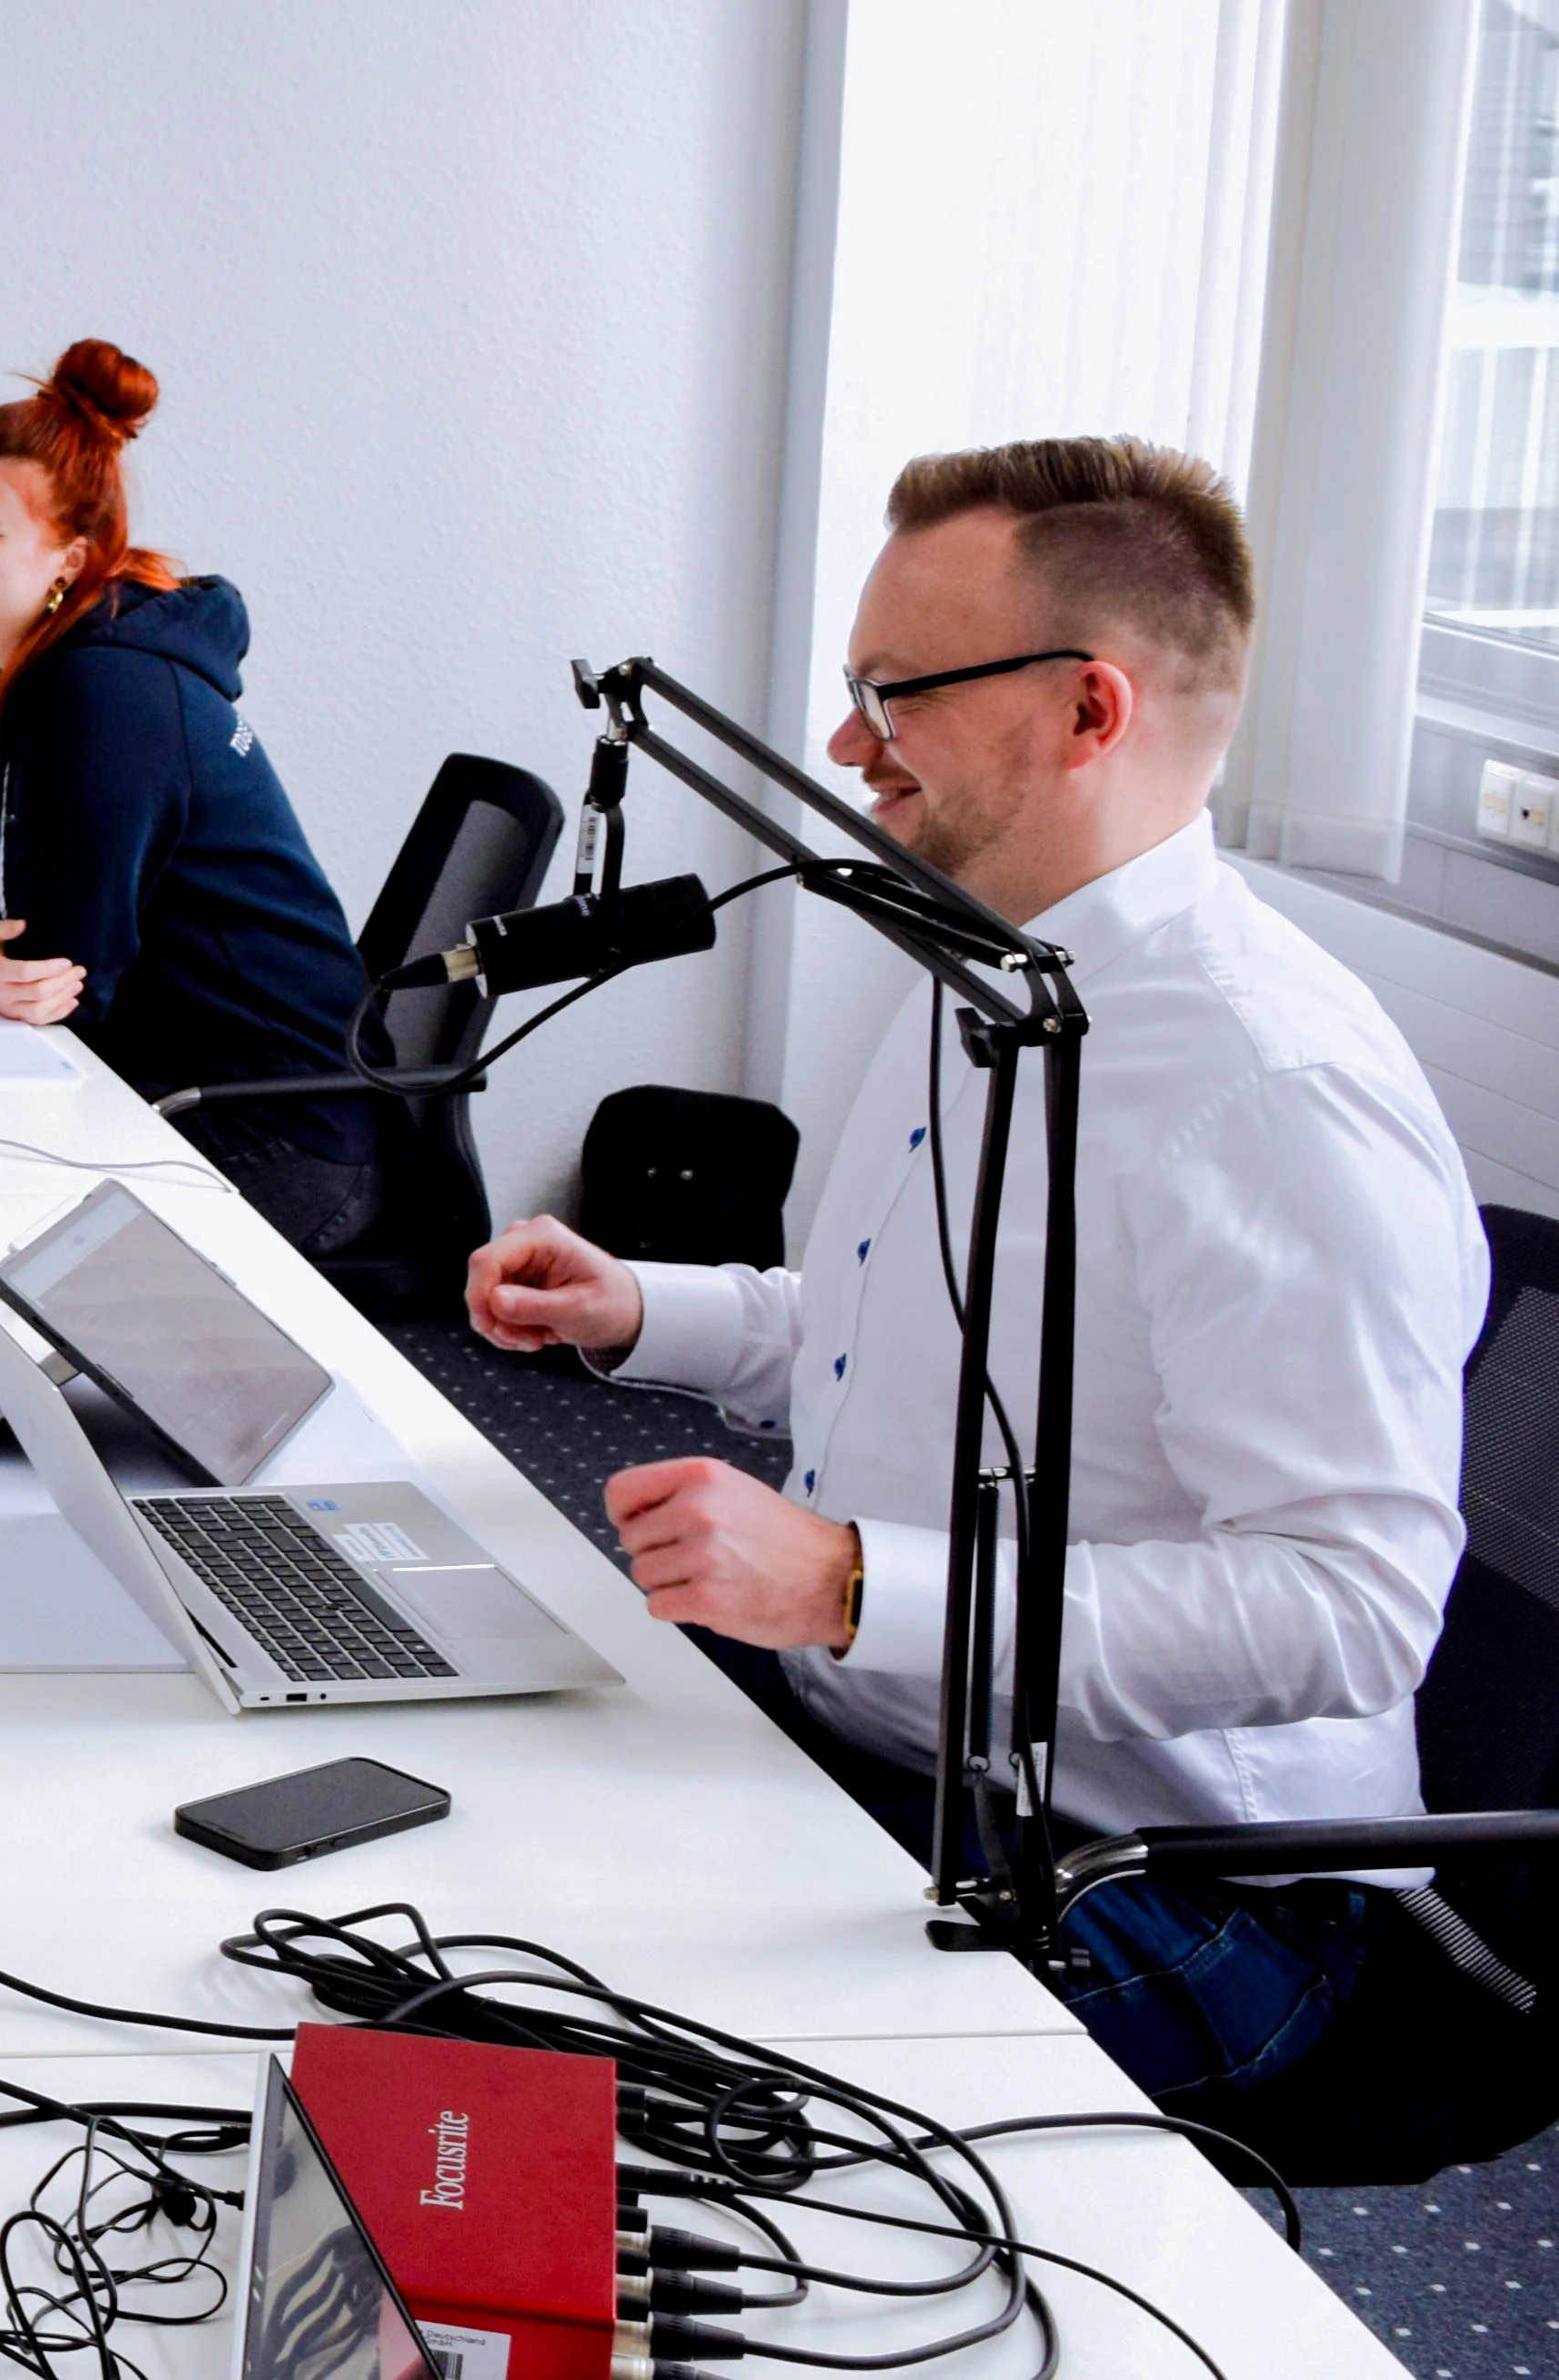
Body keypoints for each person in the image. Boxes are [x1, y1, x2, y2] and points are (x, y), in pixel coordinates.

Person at [468, 436, 1486, 2105]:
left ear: (1089, 711)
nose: (845, 745)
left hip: (1164, 1881)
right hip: (893, 1739)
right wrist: (646, 1304)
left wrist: (852, 1581)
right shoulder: (992, 971)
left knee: (601, 2070)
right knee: (461, 1841)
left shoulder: (1271, 1089)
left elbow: (1349, 1606)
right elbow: (892, 1343)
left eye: (895, 693)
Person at [0, 338, 385, 1255]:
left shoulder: (105, 692)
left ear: (67, 556)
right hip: (157, 1086)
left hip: (277, 1135)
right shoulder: (5, 658)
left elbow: (62, 981)